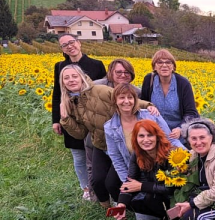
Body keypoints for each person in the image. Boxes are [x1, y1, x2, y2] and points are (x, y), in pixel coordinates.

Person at [57, 66, 156, 206]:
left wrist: (148, 105)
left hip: (118, 143)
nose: (71, 80)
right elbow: (80, 134)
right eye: (66, 78)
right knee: (97, 181)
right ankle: (108, 211)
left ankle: (127, 207)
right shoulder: (70, 102)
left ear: (81, 77)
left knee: (113, 182)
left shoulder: (100, 91)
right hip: (100, 144)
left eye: (74, 76)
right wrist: (65, 119)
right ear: (63, 83)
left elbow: (125, 100)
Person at [104, 83, 183, 200]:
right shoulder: (110, 127)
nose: (126, 101)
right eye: (121, 97)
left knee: (164, 200)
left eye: (130, 97)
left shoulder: (151, 115)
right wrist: (129, 185)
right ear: (115, 100)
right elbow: (116, 158)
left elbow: (170, 138)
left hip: (161, 167)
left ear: (135, 100)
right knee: (143, 210)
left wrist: (185, 157)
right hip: (137, 170)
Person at [52, 35, 106, 200]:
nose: (69, 47)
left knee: (96, 155)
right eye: (64, 45)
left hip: (93, 117)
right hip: (71, 117)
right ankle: (86, 189)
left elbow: (104, 88)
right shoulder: (60, 66)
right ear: (62, 49)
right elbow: (57, 94)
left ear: (79, 43)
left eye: (71, 42)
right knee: (78, 154)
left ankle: (100, 189)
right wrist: (56, 119)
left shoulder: (96, 65)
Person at [167, 119, 215, 220]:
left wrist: (191, 204)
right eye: (193, 138)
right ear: (188, 140)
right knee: (173, 217)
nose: (198, 142)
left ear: (211, 137)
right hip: (207, 200)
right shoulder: (194, 155)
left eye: (202, 137)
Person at [112, 120, 179, 220]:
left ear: (157, 137)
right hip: (156, 192)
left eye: (150, 135)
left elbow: (172, 188)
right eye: (141, 136)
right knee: (129, 200)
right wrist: (121, 204)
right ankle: (164, 218)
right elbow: (130, 180)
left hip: (176, 197)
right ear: (136, 138)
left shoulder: (172, 154)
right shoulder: (137, 154)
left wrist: (141, 186)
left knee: (150, 197)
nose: (146, 140)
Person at [140, 49, 198, 141]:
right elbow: (142, 104)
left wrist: (181, 128)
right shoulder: (149, 80)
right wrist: (148, 107)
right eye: (159, 62)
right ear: (154, 66)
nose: (164, 65)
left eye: (168, 62)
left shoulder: (183, 84)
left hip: (177, 136)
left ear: (173, 67)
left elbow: (191, 113)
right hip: (154, 135)